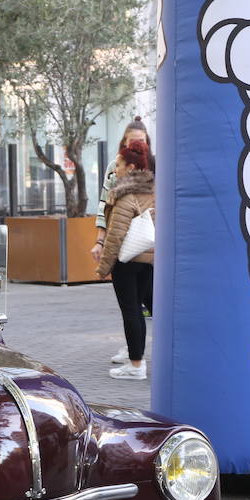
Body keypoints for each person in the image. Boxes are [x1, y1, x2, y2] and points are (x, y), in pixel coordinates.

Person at [93, 117, 154, 363]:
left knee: (136, 306)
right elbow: (104, 205)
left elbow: (118, 222)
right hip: (144, 248)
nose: (136, 146)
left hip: (135, 249)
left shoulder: (153, 168)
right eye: (132, 142)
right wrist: (100, 239)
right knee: (137, 306)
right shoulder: (116, 167)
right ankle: (134, 350)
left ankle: (136, 357)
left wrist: (103, 265)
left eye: (140, 142)